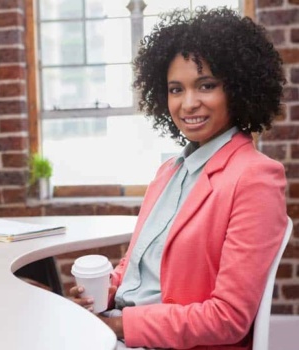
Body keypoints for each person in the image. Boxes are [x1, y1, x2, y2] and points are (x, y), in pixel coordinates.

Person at [68, 7, 287, 350]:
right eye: (175, 89)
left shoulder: (256, 178)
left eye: (206, 85)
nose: (188, 103)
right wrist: (104, 289)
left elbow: (227, 318)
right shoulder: (169, 171)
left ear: (238, 88)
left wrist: (119, 325)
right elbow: (137, 266)